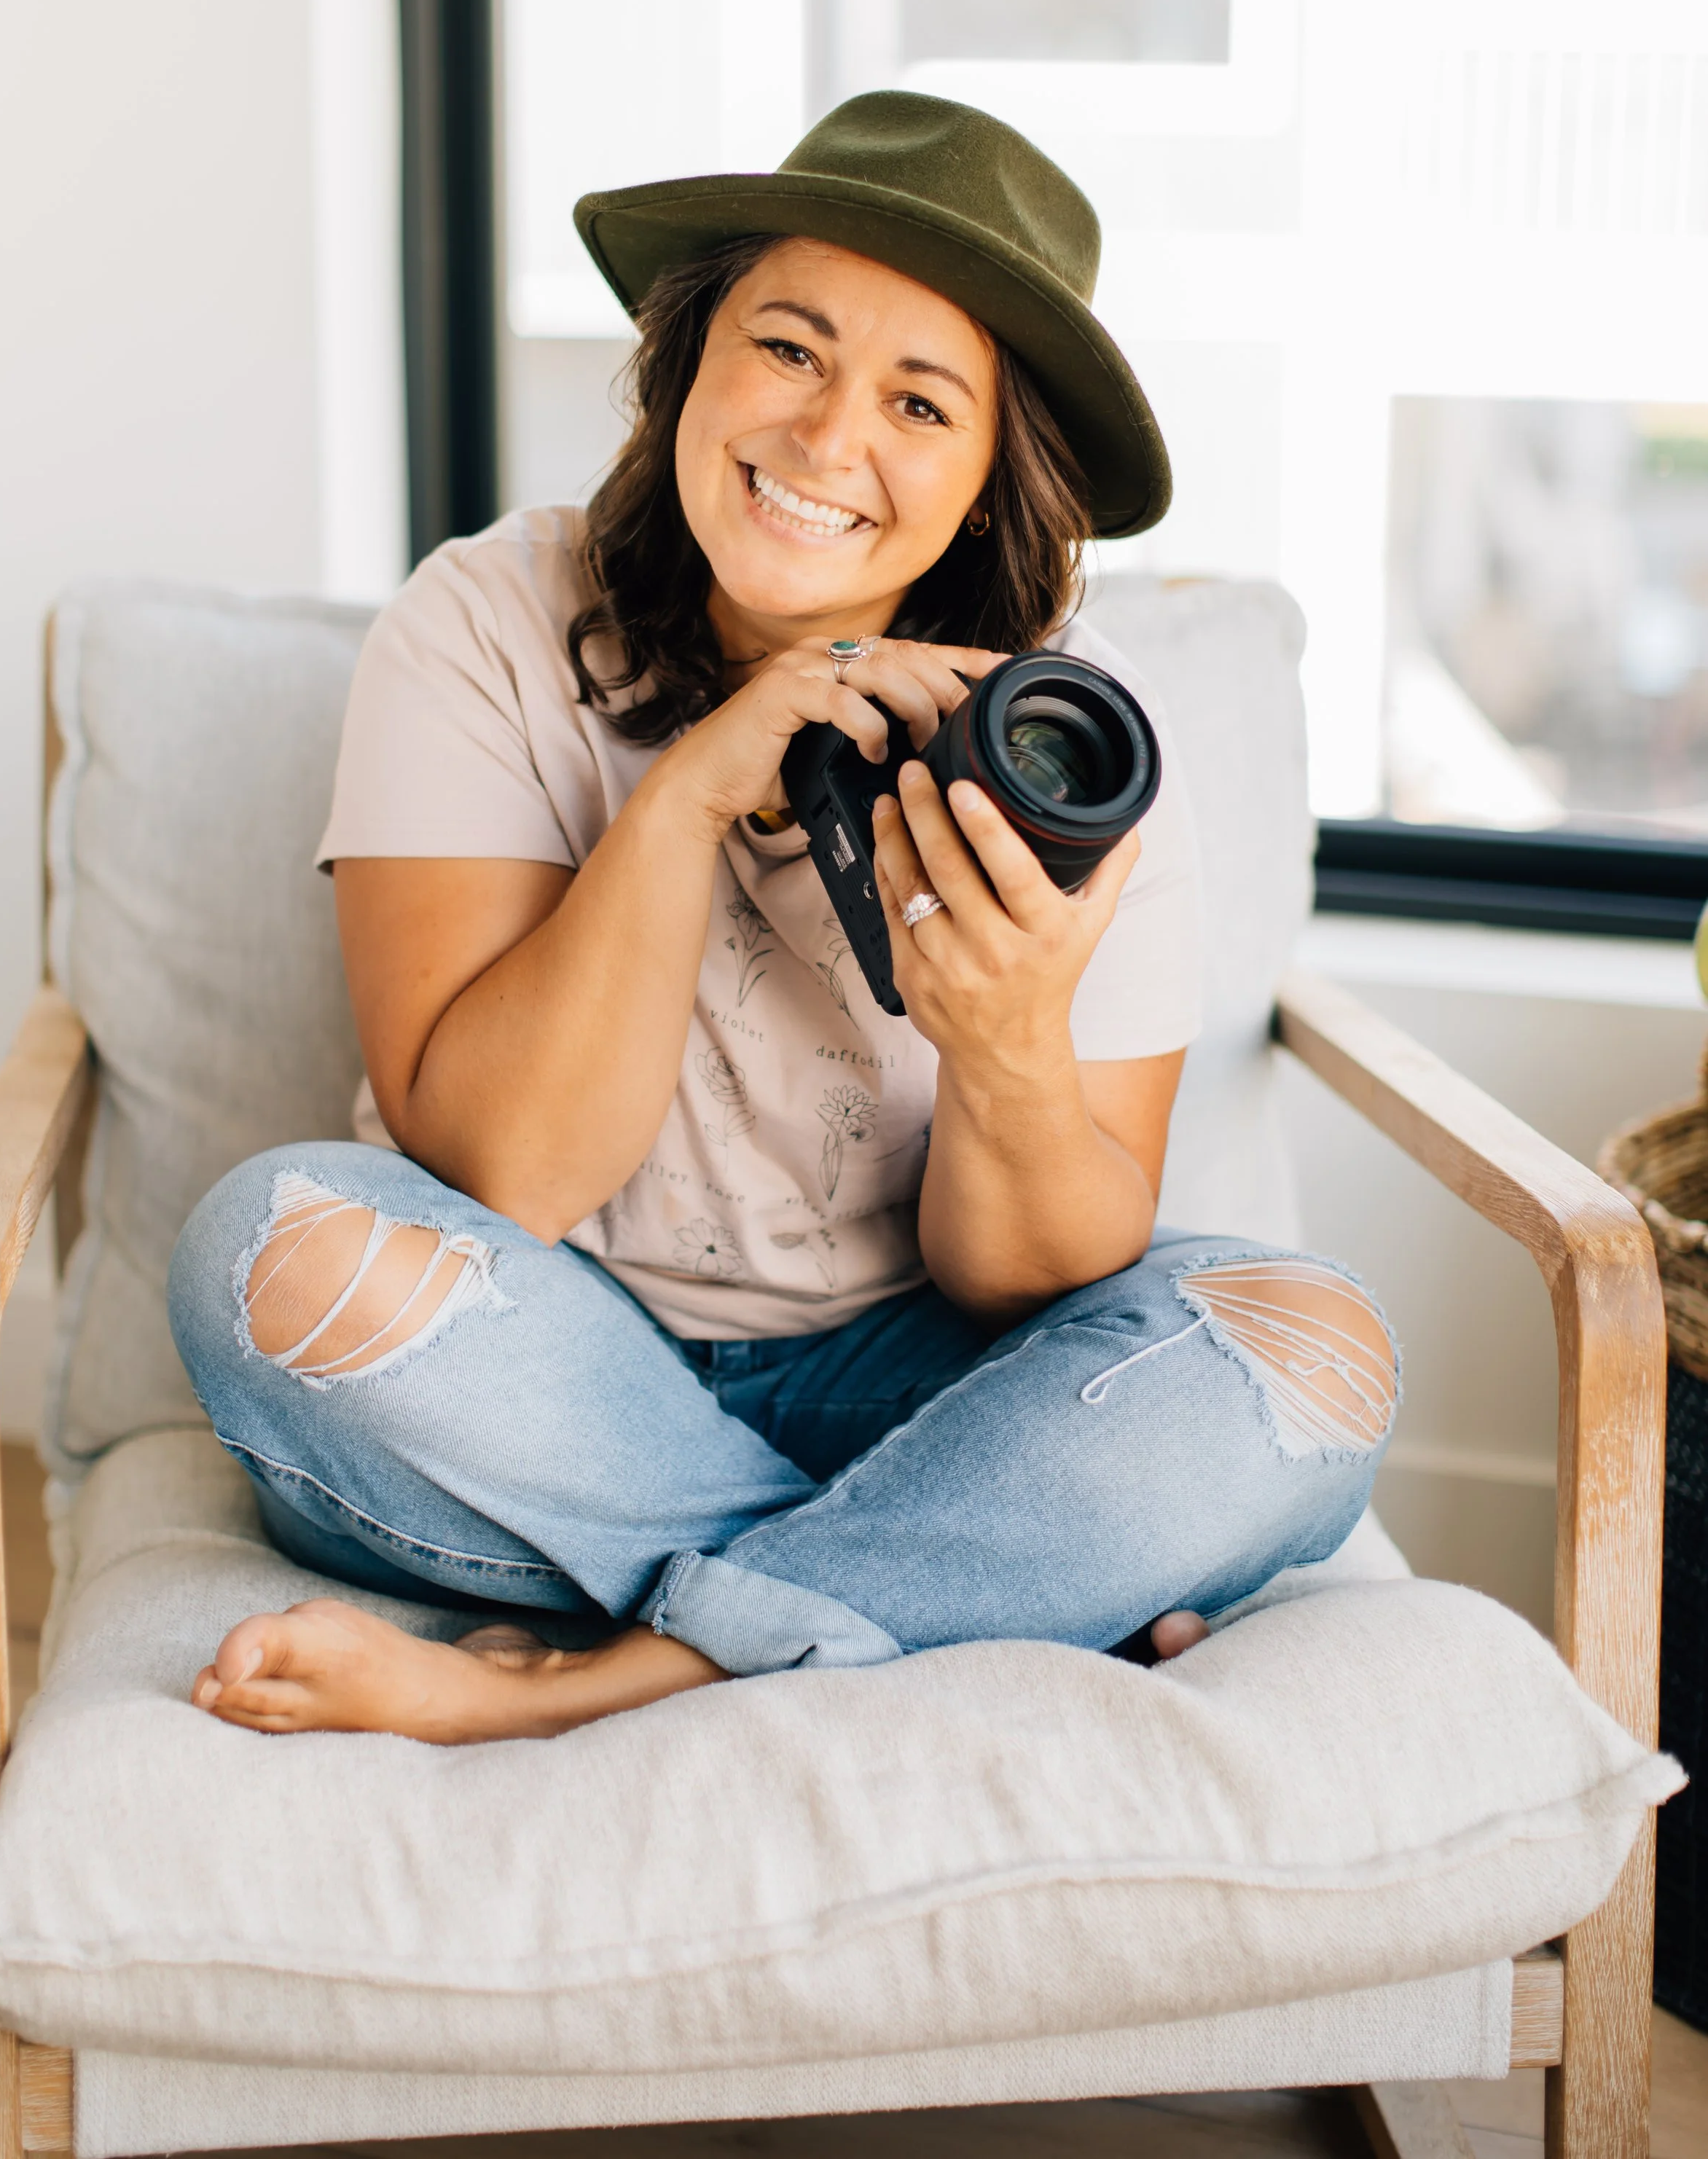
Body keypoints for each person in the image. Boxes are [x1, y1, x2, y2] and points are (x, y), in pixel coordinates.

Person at [168, 90, 1398, 1744]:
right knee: (267, 1245)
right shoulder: (483, 624)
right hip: (543, 1370)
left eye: (919, 401)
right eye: (788, 349)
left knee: (1311, 1349)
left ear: (988, 480)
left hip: (922, 1382)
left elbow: (1026, 1287)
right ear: (690, 362)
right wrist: (685, 793)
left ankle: (608, 1677)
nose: (825, 440)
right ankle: (966, 1586)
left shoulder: (1068, 750)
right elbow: (514, 1171)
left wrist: (1007, 1043)